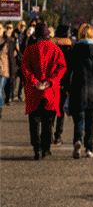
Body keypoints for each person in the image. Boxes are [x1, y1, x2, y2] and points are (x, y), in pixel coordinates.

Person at [21, 21, 67, 160]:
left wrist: (35, 81)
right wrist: (51, 81)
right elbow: (62, 67)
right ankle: (46, 148)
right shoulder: (55, 49)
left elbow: (25, 68)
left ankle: (36, 148)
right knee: (48, 121)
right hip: (50, 91)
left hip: (34, 91)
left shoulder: (30, 49)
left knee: (34, 121)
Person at [68, 24, 93, 159]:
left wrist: (67, 87)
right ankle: (89, 148)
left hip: (78, 87)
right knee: (91, 120)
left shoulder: (74, 49)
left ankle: (77, 140)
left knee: (78, 119)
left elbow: (68, 70)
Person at [51, 24, 73, 145]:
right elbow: (70, 68)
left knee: (50, 109)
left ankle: (49, 132)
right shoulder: (69, 48)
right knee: (60, 110)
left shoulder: (51, 46)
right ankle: (58, 136)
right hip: (64, 82)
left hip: (51, 81)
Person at [0, 23, 15, 118]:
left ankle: (0, 109)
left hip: (4, 69)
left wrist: (12, 72)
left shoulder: (8, 41)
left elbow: (11, 58)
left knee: (0, 90)